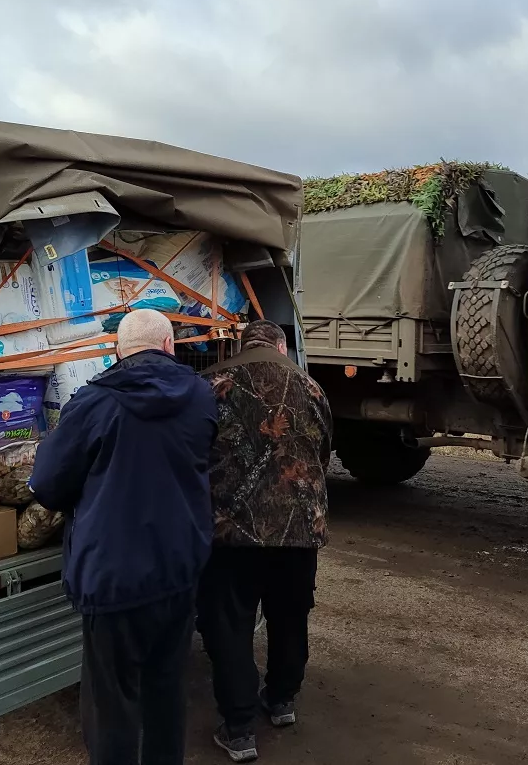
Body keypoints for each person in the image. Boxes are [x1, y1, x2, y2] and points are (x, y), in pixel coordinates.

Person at [29, 308, 217, 765]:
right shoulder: (200, 396)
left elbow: (48, 484)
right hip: (178, 571)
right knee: (167, 692)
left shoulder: (94, 402)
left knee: (112, 708)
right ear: (170, 346)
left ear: (117, 350)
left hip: (114, 580)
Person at [196, 320, 332, 763]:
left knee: (230, 626)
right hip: (297, 532)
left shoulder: (214, 384)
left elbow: (195, 452)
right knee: (290, 616)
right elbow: (324, 449)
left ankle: (238, 730)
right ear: (281, 346)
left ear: (242, 345)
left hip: (232, 533)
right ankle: (281, 701)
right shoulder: (312, 387)